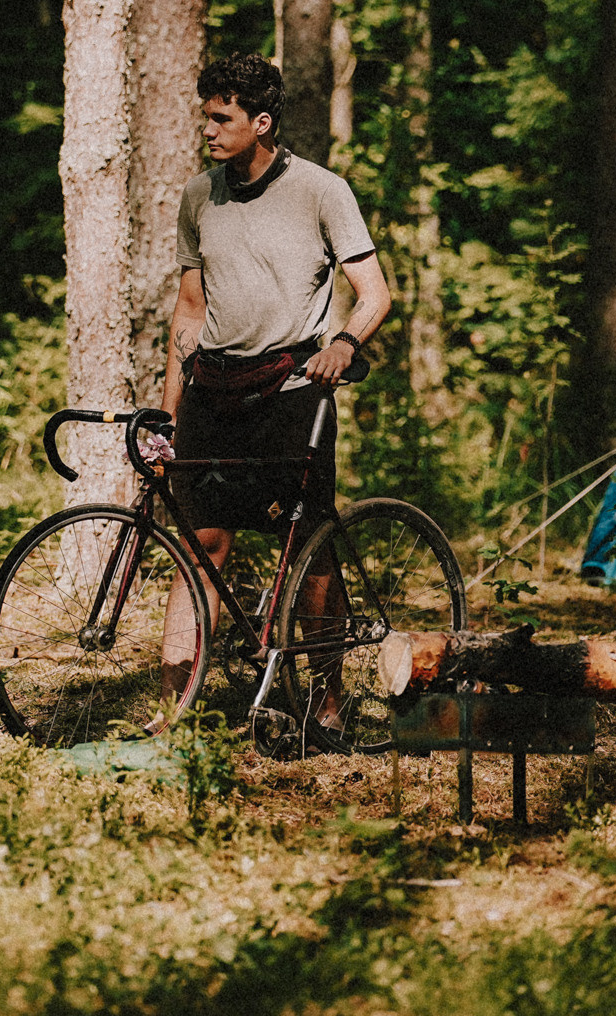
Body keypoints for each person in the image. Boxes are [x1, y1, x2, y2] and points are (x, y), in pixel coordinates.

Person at [156, 54, 390, 744]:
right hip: (214, 391)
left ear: (261, 122)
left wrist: (344, 343)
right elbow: (188, 311)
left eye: (222, 117)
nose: (209, 129)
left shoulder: (321, 191)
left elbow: (375, 292)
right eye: (207, 116)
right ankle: (172, 708)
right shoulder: (199, 197)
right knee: (199, 543)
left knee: (312, 547)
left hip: (292, 390)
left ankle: (325, 700)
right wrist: (168, 414)